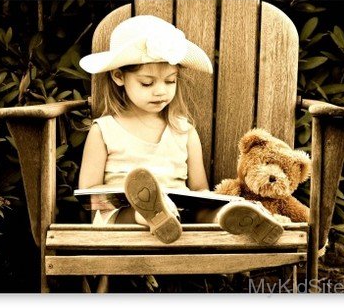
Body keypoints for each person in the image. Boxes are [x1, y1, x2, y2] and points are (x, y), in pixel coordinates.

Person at [78, 15, 283, 246]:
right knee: (141, 211)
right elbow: (89, 195)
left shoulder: (183, 131)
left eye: (170, 81)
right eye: (147, 83)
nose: (160, 91)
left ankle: (240, 218)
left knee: (208, 213)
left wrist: (214, 202)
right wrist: (139, 198)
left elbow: (199, 189)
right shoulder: (105, 130)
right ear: (118, 76)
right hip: (125, 218)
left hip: (181, 218)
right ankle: (154, 213)